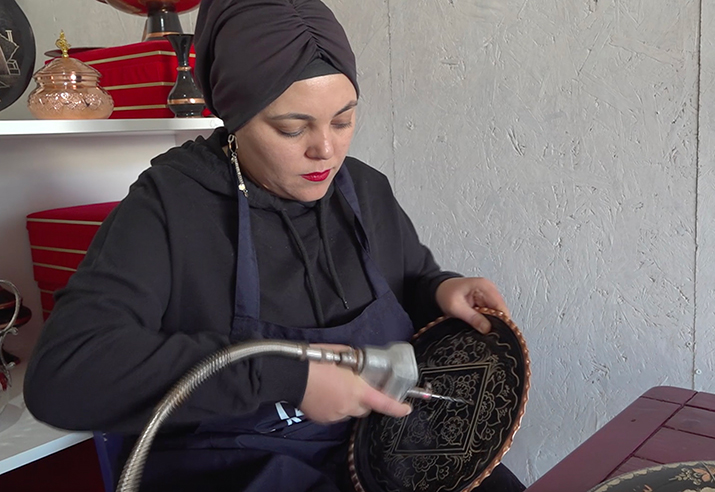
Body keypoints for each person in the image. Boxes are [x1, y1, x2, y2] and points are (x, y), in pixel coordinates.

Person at [24, 0, 526, 490]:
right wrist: (290, 376)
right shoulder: (170, 207)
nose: (325, 149)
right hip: (237, 467)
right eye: (292, 127)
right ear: (234, 114)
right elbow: (64, 375)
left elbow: (408, 279)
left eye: (343, 120)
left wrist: (441, 289)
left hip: (376, 453)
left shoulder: (365, 190)